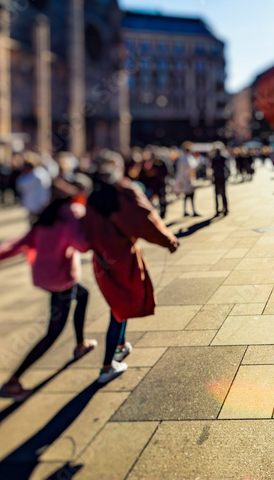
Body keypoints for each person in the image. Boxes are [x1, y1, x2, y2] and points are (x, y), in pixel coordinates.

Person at [0, 177, 98, 401]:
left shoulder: (48, 217)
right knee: (53, 332)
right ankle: (13, 382)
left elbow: (14, 244)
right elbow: (82, 244)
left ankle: (81, 344)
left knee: (83, 295)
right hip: (60, 279)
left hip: (47, 277)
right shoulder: (72, 212)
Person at [82, 151, 179, 383]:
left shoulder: (90, 195)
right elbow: (144, 219)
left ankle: (120, 345)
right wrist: (168, 240)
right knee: (120, 308)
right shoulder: (122, 193)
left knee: (119, 304)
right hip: (122, 258)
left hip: (102, 259)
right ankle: (107, 366)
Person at [16, 152, 53, 220]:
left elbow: (21, 186)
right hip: (41, 204)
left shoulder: (35, 175)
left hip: (35, 205)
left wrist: (22, 175)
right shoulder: (42, 172)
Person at [173, 147, 198, 216]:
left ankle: (185, 210)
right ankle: (193, 210)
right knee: (190, 195)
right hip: (188, 179)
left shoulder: (180, 158)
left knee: (186, 196)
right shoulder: (188, 158)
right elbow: (192, 168)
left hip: (182, 179)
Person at [212, 148, 230, 216]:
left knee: (217, 195)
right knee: (223, 194)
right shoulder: (223, 158)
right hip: (222, 178)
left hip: (216, 178)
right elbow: (227, 167)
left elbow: (212, 167)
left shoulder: (214, 159)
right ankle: (225, 208)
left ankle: (217, 209)